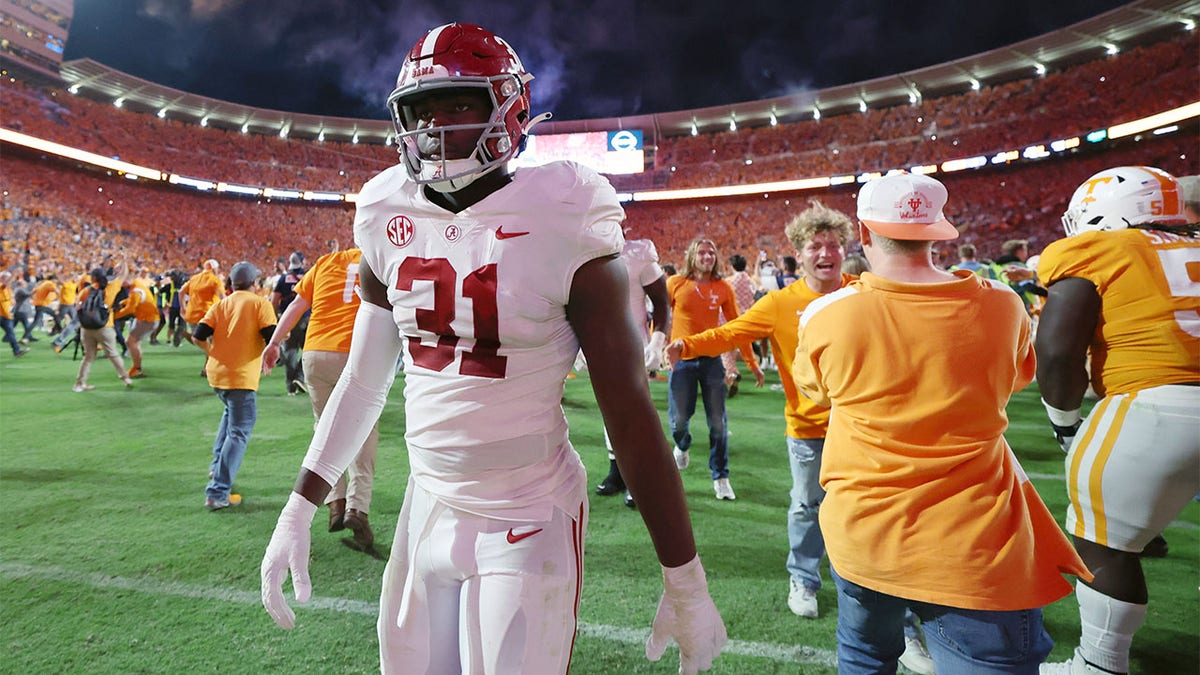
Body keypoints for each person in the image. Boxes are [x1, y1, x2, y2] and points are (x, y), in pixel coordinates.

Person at [260, 23, 725, 675]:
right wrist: (300, 502)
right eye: (422, 110)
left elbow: (627, 410)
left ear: (509, 108)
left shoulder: (563, 207)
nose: (435, 126)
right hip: (427, 498)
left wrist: (686, 578)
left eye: (458, 104)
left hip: (528, 504)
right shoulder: (384, 208)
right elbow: (364, 382)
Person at [792, 173, 1089, 674]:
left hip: (866, 531)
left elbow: (816, 392)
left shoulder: (826, 314)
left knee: (865, 656)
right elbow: (1016, 377)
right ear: (939, 231)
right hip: (975, 541)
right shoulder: (1003, 303)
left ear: (863, 234)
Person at [1034, 166, 1199, 675]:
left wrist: (1065, 424)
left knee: (1101, 541)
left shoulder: (1098, 250)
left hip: (1154, 404)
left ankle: (1099, 665)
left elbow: (1058, 351)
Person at [262, 247, 381, 550]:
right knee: (362, 432)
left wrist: (275, 342)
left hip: (315, 354)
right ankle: (357, 507)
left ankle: (335, 504)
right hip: (354, 352)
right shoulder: (378, 258)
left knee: (325, 429)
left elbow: (297, 306)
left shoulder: (325, 262)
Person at [666, 238, 759, 500]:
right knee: (679, 420)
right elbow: (663, 318)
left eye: (712, 252)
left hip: (711, 362)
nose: (707, 256)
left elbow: (738, 327)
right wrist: (659, 347)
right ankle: (682, 445)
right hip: (682, 362)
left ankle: (721, 476)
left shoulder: (723, 287)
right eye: (702, 252)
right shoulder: (676, 284)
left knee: (718, 422)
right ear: (692, 256)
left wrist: (752, 363)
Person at [592, 236, 670, 509]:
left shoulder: (637, 253)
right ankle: (617, 471)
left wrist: (658, 342)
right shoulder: (580, 250)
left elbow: (661, 302)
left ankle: (641, 479)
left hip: (633, 347)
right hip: (597, 347)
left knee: (635, 416)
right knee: (608, 412)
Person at [193, 261, 276, 511]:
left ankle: (215, 467)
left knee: (230, 416)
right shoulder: (260, 303)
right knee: (239, 430)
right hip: (241, 377)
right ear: (254, 283)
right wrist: (270, 358)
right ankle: (217, 492)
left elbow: (198, 334)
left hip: (218, 375)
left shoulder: (222, 304)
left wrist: (212, 353)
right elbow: (271, 338)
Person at [73, 263, 134, 392]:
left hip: (87, 328)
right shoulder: (111, 288)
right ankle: (125, 378)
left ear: (93, 278)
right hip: (105, 327)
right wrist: (125, 260)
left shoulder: (86, 290)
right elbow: (123, 275)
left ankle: (80, 384)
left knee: (88, 357)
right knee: (113, 354)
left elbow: (77, 306)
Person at [272, 251, 309, 395]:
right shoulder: (308, 276)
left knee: (290, 353)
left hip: (288, 319)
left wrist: (276, 319)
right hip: (306, 318)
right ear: (302, 261)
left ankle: (291, 387)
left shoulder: (282, 278)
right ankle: (300, 376)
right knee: (309, 350)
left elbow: (274, 301)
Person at [115, 272, 161, 378]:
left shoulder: (135, 290)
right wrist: (125, 302)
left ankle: (137, 368)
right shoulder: (137, 284)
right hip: (147, 318)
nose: (120, 283)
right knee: (135, 342)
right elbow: (139, 299)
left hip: (147, 319)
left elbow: (131, 309)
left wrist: (115, 316)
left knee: (130, 342)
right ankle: (137, 367)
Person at [0, 271, 29, 358]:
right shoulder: (2, 285)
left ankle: (17, 351)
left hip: (6, 314)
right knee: (11, 333)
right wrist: (14, 274)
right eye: (7, 278)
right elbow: (4, 285)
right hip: (1, 314)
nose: (10, 280)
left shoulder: (9, 288)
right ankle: (16, 350)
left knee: (11, 333)